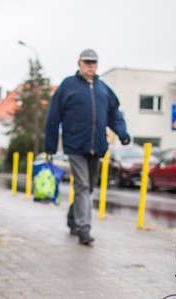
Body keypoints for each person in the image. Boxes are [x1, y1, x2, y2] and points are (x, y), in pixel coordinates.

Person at [44, 49, 130, 246]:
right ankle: (84, 229)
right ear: (79, 63)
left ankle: (72, 218)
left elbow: (115, 114)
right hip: (75, 145)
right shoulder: (68, 86)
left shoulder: (103, 89)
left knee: (88, 187)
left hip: (97, 146)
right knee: (83, 186)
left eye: (94, 63)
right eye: (87, 62)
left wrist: (122, 134)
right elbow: (53, 117)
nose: (90, 66)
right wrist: (49, 146)